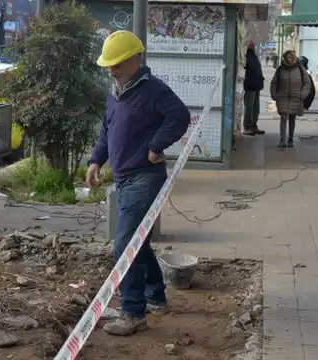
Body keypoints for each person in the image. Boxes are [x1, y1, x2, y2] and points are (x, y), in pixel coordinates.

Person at [86, 30, 191, 336]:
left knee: (124, 245)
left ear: (136, 59)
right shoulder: (116, 92)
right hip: (124, 177)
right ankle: (155, 296)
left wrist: (156, 147)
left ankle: (133, 313)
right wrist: (96, 160)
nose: (111, 69)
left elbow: (180, 117)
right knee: (137, 242)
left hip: (144, 176)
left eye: (117, 63)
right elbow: (108, 130)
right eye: (108, 64)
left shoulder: (153, 90)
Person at [270, 50, 312, 148]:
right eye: (289, 57)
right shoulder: (280, 69)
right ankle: (282, 140)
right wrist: (274, 95)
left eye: (293, 57)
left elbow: (307, 83)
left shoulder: (300, 69)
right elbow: (274, 83)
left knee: (292, 118)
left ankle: (290, 139)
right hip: (283, 97)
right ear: (285, 58)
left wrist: (302, 94)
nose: (292, 59)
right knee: (283, 118)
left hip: (296, 97)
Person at [243, 40, 265, 136]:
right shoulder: (245, 57)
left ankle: (253, 125)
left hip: (256, 86)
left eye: (253, 44)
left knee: (256, 108)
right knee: (249, 107)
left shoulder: (254, 57)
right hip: (250, 86)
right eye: (250, 44)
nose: (252, 45)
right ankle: (247, 126)